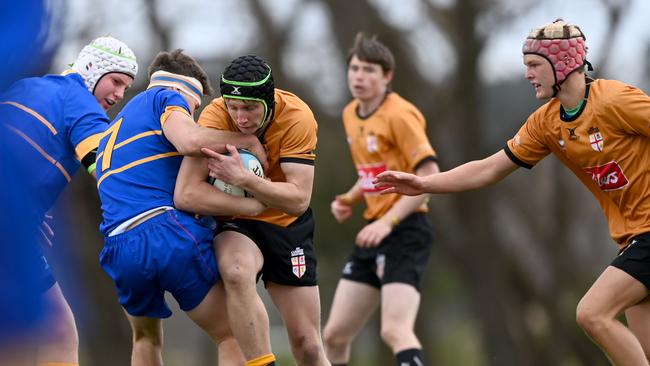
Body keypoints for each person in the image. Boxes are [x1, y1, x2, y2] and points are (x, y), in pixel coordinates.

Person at [375, 19, 650, 365]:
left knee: (592, 314)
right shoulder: (546, 123)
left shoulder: (615, 100)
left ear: (562, 63)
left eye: (534, 65)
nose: (528, 74)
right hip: (631, 239)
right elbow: (489, 168)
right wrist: (426, 183)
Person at [95, 49, 268, 366]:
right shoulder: (166, 98)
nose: (193, 114)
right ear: (181, 89)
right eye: (195, 106)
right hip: (165, 234)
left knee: (145, 338)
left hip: (119, 248)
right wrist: (248, 143)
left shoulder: (113, 129)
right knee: (232, 333)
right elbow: (189, 140)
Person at [174, 54, 329, 366]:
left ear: (268, 102)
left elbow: (299, 199)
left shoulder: (297, 117)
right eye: (233, 106)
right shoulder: (216, 116)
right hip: (238, 222)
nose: (240, 116)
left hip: (287, 225)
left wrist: (245, 179)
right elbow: (187, 193)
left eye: (249, 108)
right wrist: (250, 201)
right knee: (235, 270)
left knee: (308, 346)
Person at [0, 35, 138, 366]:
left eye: (126, 88)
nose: (119, 95)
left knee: (16, 331)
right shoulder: (82, 105)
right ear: (92, 68)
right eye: (116, 81)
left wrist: (23, 203)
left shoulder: (27, 86)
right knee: (58, 330)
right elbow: (106, 170)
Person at [319, 33, 439, 366]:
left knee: (394, 330)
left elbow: (428, 178)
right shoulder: (349, 114)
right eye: (354, 68)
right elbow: (376, 172)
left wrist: (388, 222)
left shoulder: (401, 115)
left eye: (369, 70)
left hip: (406, 230)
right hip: (374, 231)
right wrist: (351, 198)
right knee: (334, 335)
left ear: (387, 77)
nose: (359, 76)